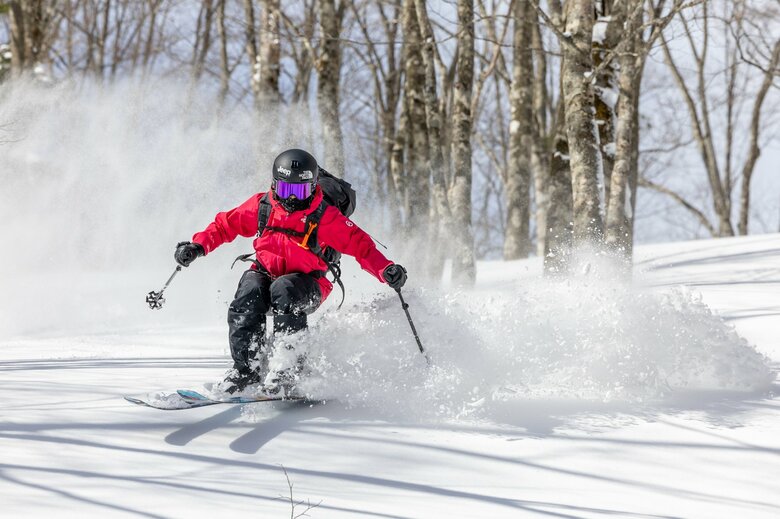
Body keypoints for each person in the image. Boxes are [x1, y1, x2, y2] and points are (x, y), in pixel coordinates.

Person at [173, 149, 407, 396]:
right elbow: (225, 225)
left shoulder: (324, 216)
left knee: (284, 289)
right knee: (248, 291)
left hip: (308, 285)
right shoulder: (263, 205)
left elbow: (360, 245)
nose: (293, 198)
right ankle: (246, 371)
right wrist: (198, 246)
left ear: (313, 187)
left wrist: (386, 269)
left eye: (300, 191)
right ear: (275, 185)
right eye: (286, 190)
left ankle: (287, 371)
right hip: (266, 273)